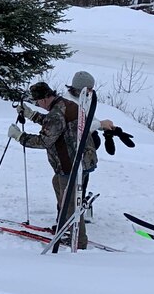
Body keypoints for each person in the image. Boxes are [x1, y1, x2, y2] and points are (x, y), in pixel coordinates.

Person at [9, 81, 94, 249]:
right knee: (57, 184)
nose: (38, 104)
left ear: (46, 98)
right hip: (81, 159)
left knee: (69, 202)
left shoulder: (56, 113)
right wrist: (32, 115)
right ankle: (66, 225)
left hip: (71, 163)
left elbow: (45, 140)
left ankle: (79, 240)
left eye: (38, 101)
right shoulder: (64, 104)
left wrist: (20, 137)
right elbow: (54, 125)